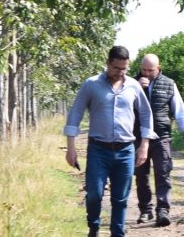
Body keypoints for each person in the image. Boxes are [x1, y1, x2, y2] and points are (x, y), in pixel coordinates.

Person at [64, 46, 156, 237]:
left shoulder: (133, 85)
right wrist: (70, 147)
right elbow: (75, 113)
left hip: (125, 150)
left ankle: (118, 233)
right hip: (98, 149)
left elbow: (146, 114)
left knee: (120, 198)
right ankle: (94, 227)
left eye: (124, 69)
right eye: (116, 68)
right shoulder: (91, 85)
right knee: (94, 195)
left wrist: (144, 145)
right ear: (107, 63)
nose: (120, 73)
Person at [133, 53, 184, 226]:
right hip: (138, 137)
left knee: (163, 173)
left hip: (161, 136)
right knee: (141, 176)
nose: (146, 73)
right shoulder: (131, 84)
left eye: (150, 70)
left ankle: (163, 210)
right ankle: (145, 210)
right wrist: (137, 88)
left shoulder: (169, 84)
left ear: (158, 68)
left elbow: (180, 111)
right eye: (143, 69)